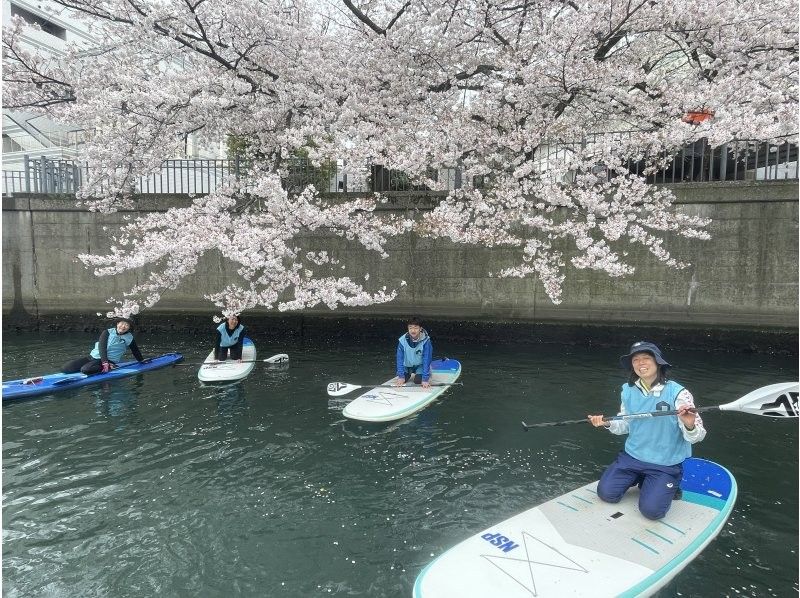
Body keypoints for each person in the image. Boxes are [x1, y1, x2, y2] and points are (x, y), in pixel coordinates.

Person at [587, 341, 706, 520]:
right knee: (606, 494)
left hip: (665, 463)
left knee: (652, 512)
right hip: (632, 457)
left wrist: (689, 424)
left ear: (658, 362)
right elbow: (625, 424)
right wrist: (606, 423)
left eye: (646, 358)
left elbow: (698, 436)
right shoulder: (627, 391)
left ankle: (669, 481)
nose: (640, 363)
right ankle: (641, 478)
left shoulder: (680, 393)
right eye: (636, 360)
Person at [62, 317, 145, 375]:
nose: (123, 326)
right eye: (122, 323)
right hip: (93, 357)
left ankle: (109, 366)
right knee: (65, 368)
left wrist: (141, 361)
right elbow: (102, 347)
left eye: (126, 325)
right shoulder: (107, 332)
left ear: (129, 328)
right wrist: (104, 362)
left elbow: (135, 351)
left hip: (109, 361)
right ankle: (102, 366)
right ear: (117, 323)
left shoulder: (129, 338)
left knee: (85, 370)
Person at [394, 316, 433, 389]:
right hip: (407, 366)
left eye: (415, 327)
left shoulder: (426, 341)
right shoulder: (402, 341)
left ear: (420, 329)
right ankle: (406, 374)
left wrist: (425, 379)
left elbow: (426, 359)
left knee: (418, 381)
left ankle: (428, 372)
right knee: (403, 379)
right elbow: (400, 359)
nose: (413, 330)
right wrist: (401, 376)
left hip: (420, 365)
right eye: (410, 328)